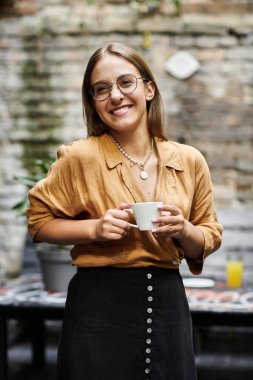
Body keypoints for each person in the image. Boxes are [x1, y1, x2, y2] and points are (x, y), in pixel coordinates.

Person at [26, 42, 223, 380]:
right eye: (101, 89)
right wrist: (95, 230)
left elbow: (208, 235)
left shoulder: (189, 160)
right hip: (97, 315)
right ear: (93, 102)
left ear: (148, 89)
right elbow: (39, 222)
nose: (115, 95)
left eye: (125, 82)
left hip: (169, 312)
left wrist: (183, 229)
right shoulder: (78, 157)